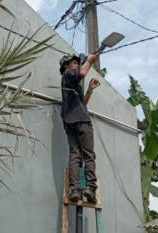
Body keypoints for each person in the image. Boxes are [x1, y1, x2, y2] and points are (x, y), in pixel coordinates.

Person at [59, 53, 100, 203]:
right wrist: (89, 60)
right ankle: (90, 188)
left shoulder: (69, 83)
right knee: (88, 154)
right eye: (73, 62)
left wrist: (89, 89)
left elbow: (82, 103)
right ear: (65, 66)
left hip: (70, 120)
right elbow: (82, 72)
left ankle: (74, 190)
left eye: (78, 62)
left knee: (75, 154)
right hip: (81, 120)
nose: (76, 64)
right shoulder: (69, 74)